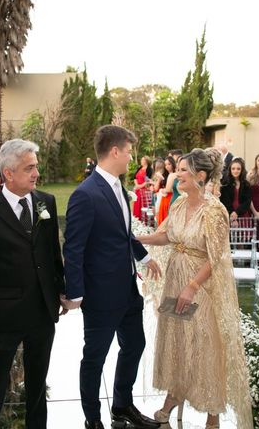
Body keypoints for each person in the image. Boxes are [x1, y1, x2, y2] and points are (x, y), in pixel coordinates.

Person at [136, 148, 253, 429]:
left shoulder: (214, 211)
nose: (177, 174)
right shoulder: (178, 204)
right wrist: (136, 239)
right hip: (175, 281)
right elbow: (166, 235)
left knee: (203, 346)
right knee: (176, 340)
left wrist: (192, 286)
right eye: (177, 169)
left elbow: (217, 257)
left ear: (200, 176)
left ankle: (213, 414)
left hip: (199, 286)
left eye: (183, 170)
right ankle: (173, 396)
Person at [0, 139, 66, 429]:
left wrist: (61, 289)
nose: (36, 173)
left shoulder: (46, 201)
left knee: (37, 380)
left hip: (43, 310)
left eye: (36, 166)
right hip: (6, 312)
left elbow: (52, 253)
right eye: (29, 168)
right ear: (8, 173)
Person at [62, 125, 162, 429]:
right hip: (101, 295)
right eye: (129, 152)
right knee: (94, 358)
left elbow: (122, 231)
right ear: (115, 151)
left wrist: (143, 257)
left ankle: (122, 405)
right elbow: (74, 247)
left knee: (135, 345)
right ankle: (93, 419)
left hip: (128, 291)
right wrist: (75, 293)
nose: (131, 158)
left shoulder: (120, 188)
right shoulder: (85, 194)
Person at [220, 157, 252, 227]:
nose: (235, 171)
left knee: (244, 236)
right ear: (230, 170)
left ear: (242, 170)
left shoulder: (246, 184)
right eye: (233, 168)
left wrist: (237, 212)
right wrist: (232, 215)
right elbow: (225, 201)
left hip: (242, 213)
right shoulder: (225, 184)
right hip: (229, 213)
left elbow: (247, 201)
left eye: (238, 169)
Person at [155, 157, 175, 225]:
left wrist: (164, 190)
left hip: (170, 198)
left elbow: (169, 189)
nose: (167, 166)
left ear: (173, 164)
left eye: (169, 164)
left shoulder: (174, 174)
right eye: (166, 165)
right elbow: (156, 188)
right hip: (163, 198)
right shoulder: (166, 175)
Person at [133, 156, 153, 221]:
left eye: (142, 160)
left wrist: (140, 186)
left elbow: (149, 180)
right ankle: (137, 220)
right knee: (137, 205)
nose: (141, 161)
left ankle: (144, 220)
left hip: (144, 191)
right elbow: (135, 177)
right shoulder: (140, 168)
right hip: (138, 190)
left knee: (143, 205)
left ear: (146, 161)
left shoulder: (149, 169)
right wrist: (137, 185)